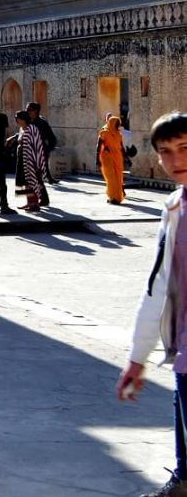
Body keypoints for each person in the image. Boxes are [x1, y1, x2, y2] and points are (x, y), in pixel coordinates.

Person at [115, 112, 187, 497]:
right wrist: (138, 357)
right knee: (181, 407)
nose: (176, 161)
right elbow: (158, 285)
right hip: (184, 347)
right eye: (166, 152)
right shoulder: (174, 207)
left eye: (184, 148)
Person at [14, 111, 48, 212]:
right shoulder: (22, 129)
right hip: (22, 159)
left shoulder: (32, 129)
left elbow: (36, 145)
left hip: (31, 160)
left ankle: (34, 204)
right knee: (25, 182)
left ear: (23, 119)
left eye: (18, 119)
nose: (16, 121)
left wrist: (35, 162)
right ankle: (29, 202)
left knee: (31, 181)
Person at [27, 101, 59, 189]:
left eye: (30, 109)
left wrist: (49, 148)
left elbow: (51, 137)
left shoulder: (42, 123)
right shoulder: (27, 121)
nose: (27, 111)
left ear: (36, 111)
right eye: (27, 109)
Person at [98, 113, 127, 205]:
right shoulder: (104, 132)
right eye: (117, 123)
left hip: (118, 158)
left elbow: (121, 147)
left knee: (118, 178)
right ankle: (113, 197)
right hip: (108, 157)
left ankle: (117, 197)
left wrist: (125, 157)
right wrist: (97, 158)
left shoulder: (119, 134)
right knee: (111, 178)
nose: (118, 125)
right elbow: (98, 146)